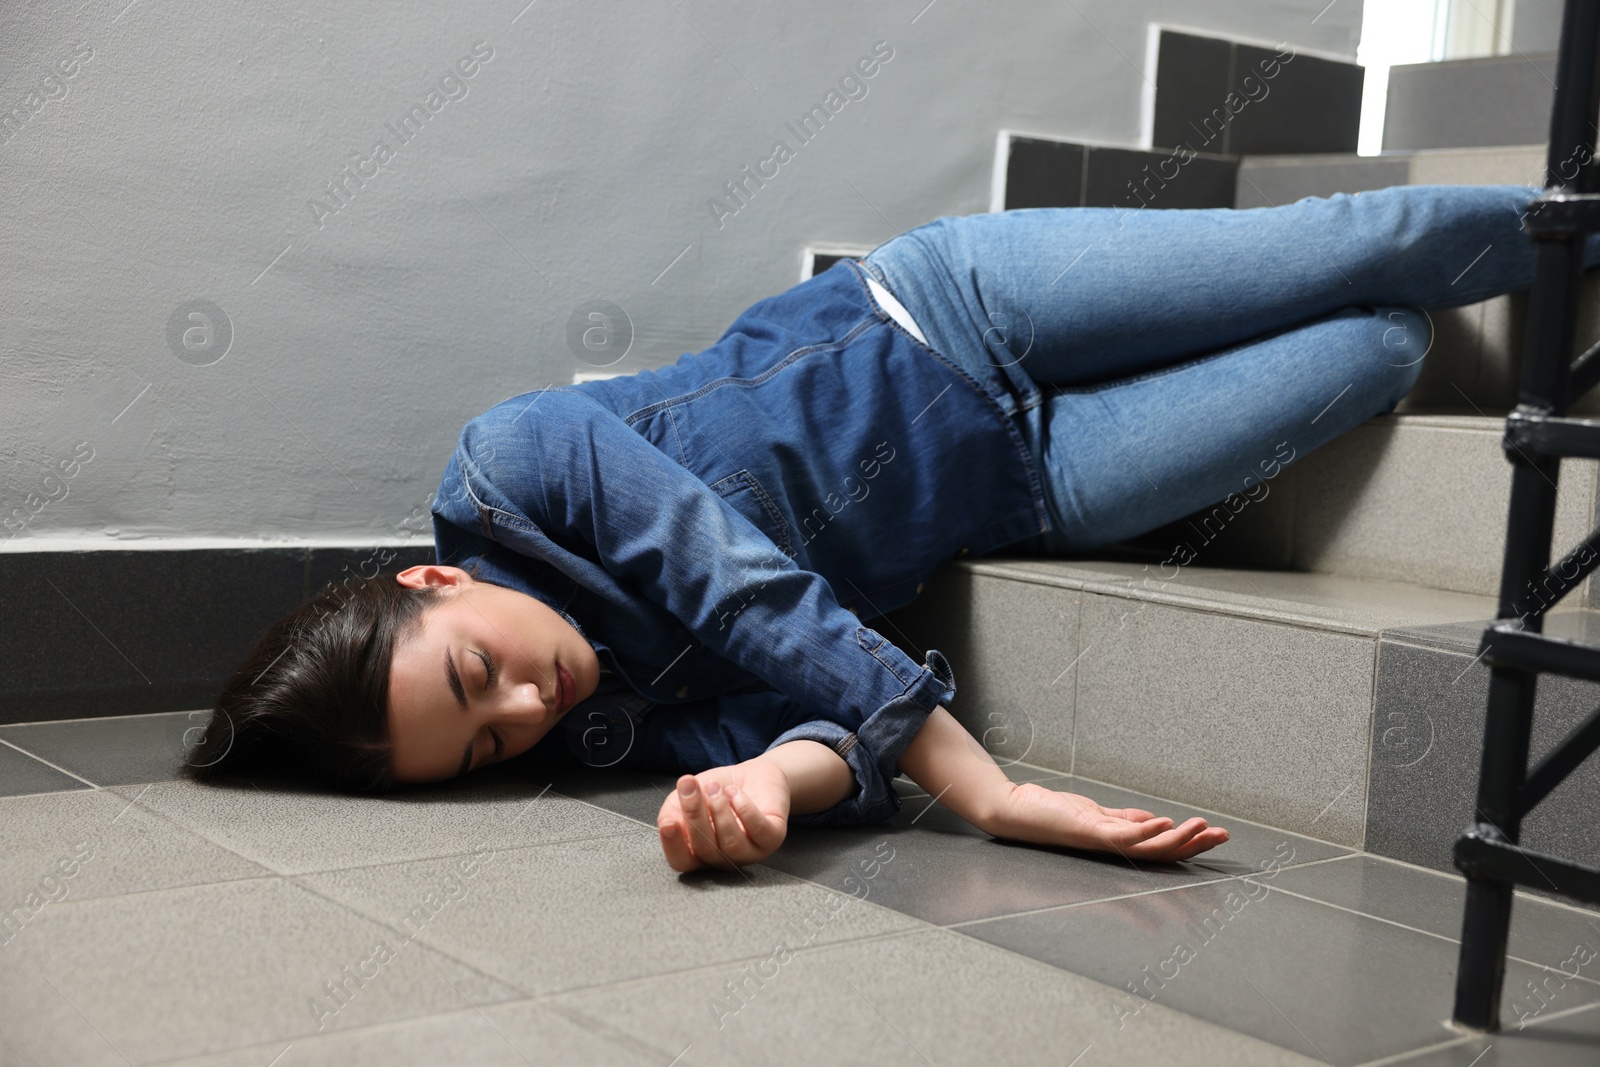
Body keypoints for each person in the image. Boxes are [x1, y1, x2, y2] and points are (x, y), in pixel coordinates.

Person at [185, 182, 1587, 873]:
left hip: (947, 312)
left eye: (473, 674)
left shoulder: (513, 468)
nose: (527, 704)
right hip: (1032, 482)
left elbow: (747, 599)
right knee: (1381, 353)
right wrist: (772, 793)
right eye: (491, 745)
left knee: (1359, 245)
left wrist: (985, 791)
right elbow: (809, 731)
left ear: (436, 580)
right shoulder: (608, 728)